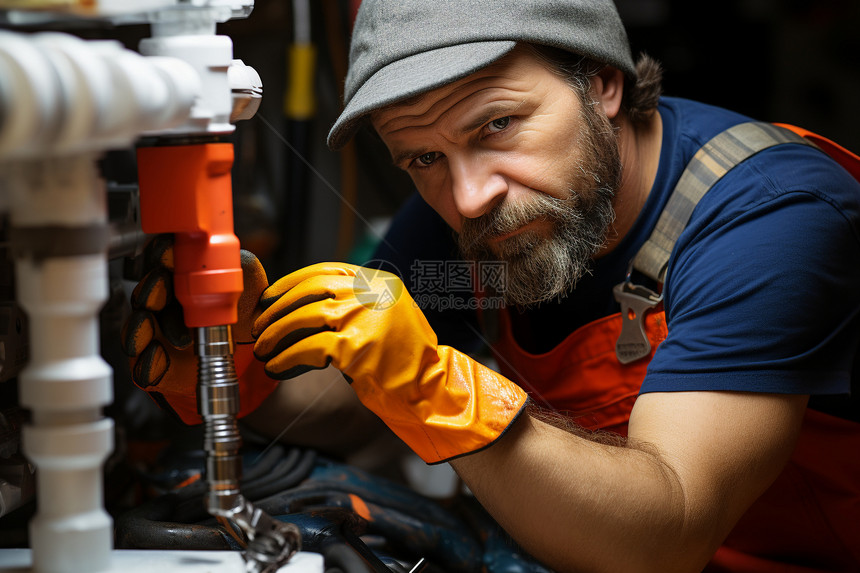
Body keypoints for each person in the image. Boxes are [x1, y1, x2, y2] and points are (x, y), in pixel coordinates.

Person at [128, 0, 860, 571]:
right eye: (421, 158)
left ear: (602, 81)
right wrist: (241, 368)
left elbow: (664, 540)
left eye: (498, 124)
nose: (468, 195)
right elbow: (358, 400)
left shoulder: (767, 223)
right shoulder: (479, 228)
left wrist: (436, 391)